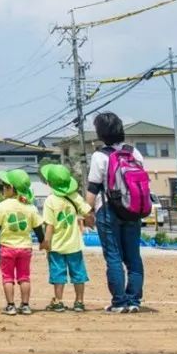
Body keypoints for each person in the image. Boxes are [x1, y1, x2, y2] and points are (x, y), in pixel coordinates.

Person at [86, 111, 146, 313]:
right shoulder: (134, 153)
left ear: (101, 133)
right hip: (133, 209)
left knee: (113, 256)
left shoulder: (100, 156)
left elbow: (93, 188)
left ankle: (119, 302)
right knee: (133, 257)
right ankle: (134, 300)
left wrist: (87, 213)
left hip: (108, 210)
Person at [0, 169, 44, 316]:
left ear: (11, 188)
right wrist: (43, 242)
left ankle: (11, 306)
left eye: (4, 186)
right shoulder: (30, 207)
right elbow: (38, 229)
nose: (3, 189)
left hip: (7, 248)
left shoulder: (3, 206)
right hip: (25, 248)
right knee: (24, 277)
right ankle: (25, 306)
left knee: (8, 277)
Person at [39, 163, 93, 312]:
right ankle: (79, 302)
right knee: (78, 273)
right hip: (74, 244)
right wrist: (90, 223)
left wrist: (46, 242)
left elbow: (49, 225)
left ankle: (58, 301)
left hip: (56, 245)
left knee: (58, 274)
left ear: (49, 183)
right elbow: (88, 213)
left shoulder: (50, 201)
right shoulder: (74, 196)